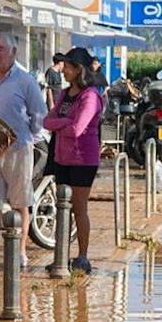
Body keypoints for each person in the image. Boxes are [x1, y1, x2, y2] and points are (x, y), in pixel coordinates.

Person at [0, 32, 46, 268]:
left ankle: (20, 251)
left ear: (13, 53)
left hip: (19, 149)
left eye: (1, 49)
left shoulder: (25, 81)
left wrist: (28, 137)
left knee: (20, 202)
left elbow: (39, 114)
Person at [43, 47, 103, 274]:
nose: (63, 71)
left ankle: (83, 257)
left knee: (79, 208)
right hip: (61, 157)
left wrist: (62, 122)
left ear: (78, 70)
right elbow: (46, 122)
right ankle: (61, 257)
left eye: (67, 67)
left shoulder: (91, 96)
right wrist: (64, 122)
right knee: (62, 209)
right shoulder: (64, 94)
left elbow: (78, 129)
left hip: (83, 159)